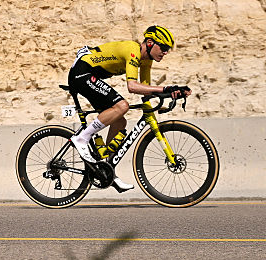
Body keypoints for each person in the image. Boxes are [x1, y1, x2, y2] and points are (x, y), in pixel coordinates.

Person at [67, 25, 191, 192]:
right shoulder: (133, 50)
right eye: (163, 47)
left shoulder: (146, 61)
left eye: (167, 49)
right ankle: (82, 138)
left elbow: (145, 90)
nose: (165, 52)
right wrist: (164, 89)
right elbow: (132, 87)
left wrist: (171, 93)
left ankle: (106, 169)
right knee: (122, 105)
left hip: (90, 76)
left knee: (120, 122)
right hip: (82, 73)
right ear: (149, 43)